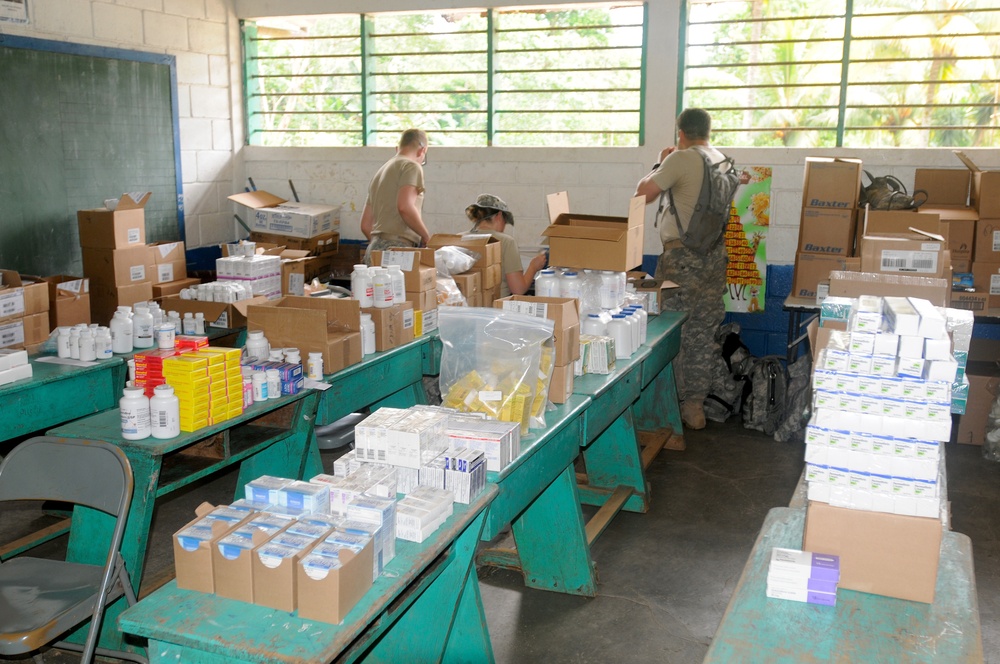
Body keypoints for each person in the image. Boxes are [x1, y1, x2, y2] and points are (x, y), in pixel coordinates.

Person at [633, 108, 729, 431]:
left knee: (671, 331)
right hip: (716, 259)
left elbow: (643, 193)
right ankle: (694, 408)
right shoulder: (722, 161)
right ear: (708, 131)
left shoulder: (680, 159)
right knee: (703, 333)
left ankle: (667, 409)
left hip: (682, 259)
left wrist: (661, 162)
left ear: (681, 133)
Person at [360, 129, 432, 264]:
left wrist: (380, 246)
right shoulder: (411, 166)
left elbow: (365, 225)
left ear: (397, 148)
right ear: (422, 150)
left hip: (373, 249)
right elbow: (405, 207)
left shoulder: (381, 172)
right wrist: (426, 236)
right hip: (398, 249)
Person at [465, 194, 547, 298]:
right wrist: (533, 267)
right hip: (494, 309)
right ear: (499, 216)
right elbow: (518, 289)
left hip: (464, 308)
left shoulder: (459, 238)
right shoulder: (506, 242)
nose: (504, 226)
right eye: (505, 221)